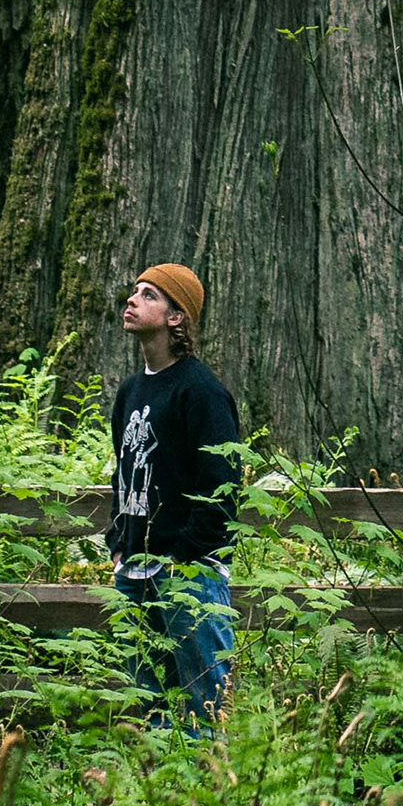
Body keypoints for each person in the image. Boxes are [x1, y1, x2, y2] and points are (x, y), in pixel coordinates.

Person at [111, 261, 240, 726]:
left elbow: (222, 485)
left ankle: (210, 796)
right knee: (150, 710)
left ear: (176, 317)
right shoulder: (129, 392)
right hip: (134, 573)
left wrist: (184, 556)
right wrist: (119, 548)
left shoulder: (201, 392)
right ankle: (161, 797)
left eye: (148, 295)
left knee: (205, 708)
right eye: (135, 290)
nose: (132, 299)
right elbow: (122, 476)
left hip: (189, 576)